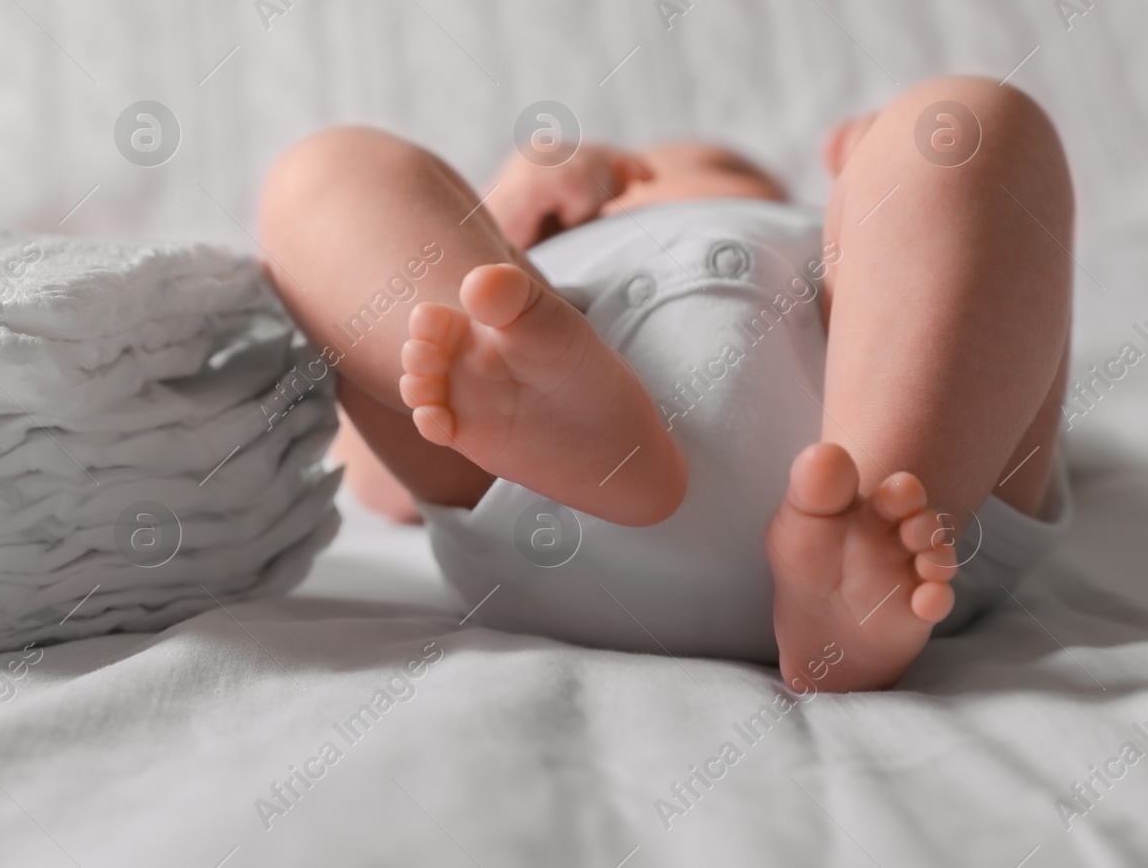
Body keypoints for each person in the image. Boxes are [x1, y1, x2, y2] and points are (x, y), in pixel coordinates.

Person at [257, 76, 1074, 691]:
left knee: (960, 126)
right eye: (640, 175)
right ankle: (573, 419)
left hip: (880, 447)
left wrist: (886, 178)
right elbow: (381, 475)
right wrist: (498, 229)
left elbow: (973, 296)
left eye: (719, 168)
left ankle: (859, 549)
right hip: (542, 462)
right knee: (320, 175)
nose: (659, 177)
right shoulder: (523, 261)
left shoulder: (842, 264)